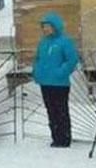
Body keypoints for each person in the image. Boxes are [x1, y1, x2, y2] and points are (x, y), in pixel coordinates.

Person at [32, 12, 78, 147]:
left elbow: (72, 60)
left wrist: (60, 72)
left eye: (48, 26)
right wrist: (36, 71)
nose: (45, 29)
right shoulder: (42, 42)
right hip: (45, 82)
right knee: (50, 110)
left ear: (55, 26)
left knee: (61, 111)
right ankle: (55, 137)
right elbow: (37, 59)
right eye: (44, 26)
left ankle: (64, 138)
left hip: (59, 83)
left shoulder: (65, 41)